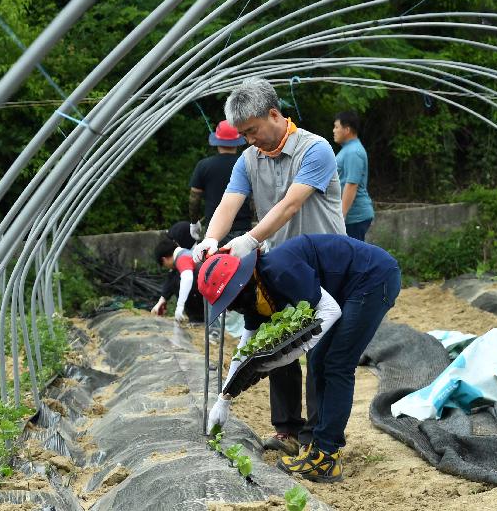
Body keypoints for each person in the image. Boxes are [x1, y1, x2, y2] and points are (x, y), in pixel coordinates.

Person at [193, 77, 346, 456]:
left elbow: (290, 205)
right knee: (279, 344)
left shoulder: (315, 149)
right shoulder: (249, 159)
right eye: (243, 134)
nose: (249, 140)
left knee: (319, 350)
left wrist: (249, 239)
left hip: (324, 263)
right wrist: (212, 238)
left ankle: (317, 438)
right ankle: (287, 430)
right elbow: (230, 201)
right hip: (280, 266)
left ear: (274, 115)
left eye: (252, 130)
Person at [198, 234, 400, 482]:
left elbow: (329, 310)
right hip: (349, 288)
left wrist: (287, 355)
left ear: (240, 284)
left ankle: (326, 457)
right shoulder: (254, 295)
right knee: (319, 363)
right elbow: (247, 344)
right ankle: (321, 446)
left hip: (372, 278)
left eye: (229, 300)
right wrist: (224, 398)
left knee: (337, 363)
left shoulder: (279, 269)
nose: (230, 308)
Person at [188, 120, 252, 243]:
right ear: (238, 141)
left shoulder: (204, 166)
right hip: (243, 229)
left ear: (217, 141)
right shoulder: (247, 164)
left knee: (217, 263)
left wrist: (194, 222)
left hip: (215, 231)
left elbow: (194, 199)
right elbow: (255, 198)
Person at [333, 110, 375, 241]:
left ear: (347, 129)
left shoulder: (353, 152)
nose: (334, 131)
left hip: (354, 217)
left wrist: (341, 217)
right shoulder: (348, 149)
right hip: (350, 217)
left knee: (352, 258)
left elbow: (351, 185)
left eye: (336, 127)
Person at [150, 235, 204, 324]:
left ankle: (198, 318)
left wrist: (180, 306)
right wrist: (162, 301)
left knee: (179, 280)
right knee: (173, 275)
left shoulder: (182, 258)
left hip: (211, 294)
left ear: (164, 259)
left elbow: (187, 279)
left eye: (164, 265)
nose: (167, 267)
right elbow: (170, 278)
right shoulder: (186, 253)